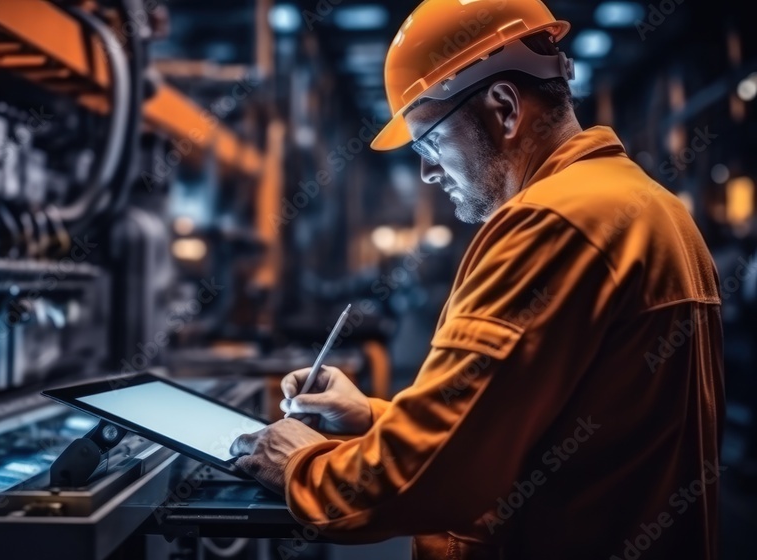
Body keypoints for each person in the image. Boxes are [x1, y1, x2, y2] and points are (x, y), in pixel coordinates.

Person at [229, 1, 725, 558]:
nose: (427, 171)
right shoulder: (644, 205)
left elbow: (421, 482)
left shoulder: (552, 224)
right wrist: (373, 417)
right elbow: (525, 434)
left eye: (430, 142)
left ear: (505, 107)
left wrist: (299, 465)